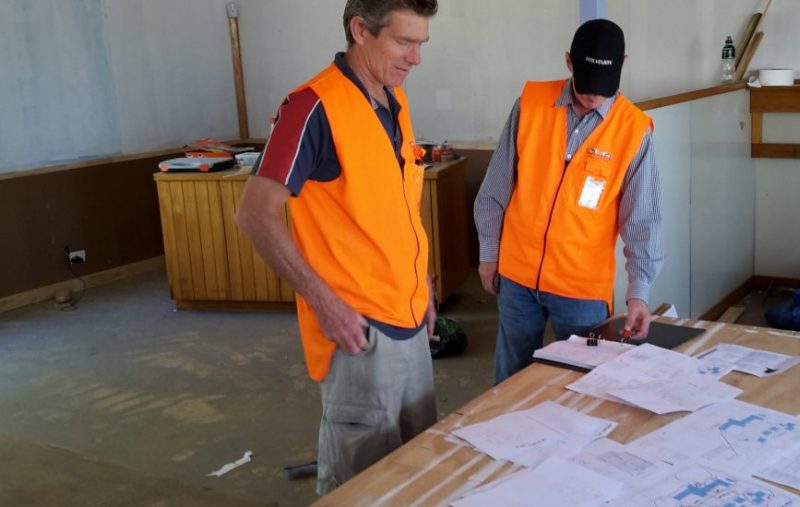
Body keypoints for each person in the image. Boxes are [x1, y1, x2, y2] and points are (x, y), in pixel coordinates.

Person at [234, 0, 438, 495]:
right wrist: (325, 303)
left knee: (420, 466)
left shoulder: (394, 99)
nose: (416, 58)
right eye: (403, 42)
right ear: (360, 31)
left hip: (410, 319)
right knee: (361, 484)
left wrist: (423, 284)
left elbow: (395, 209)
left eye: (421, 43)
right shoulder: (312, 107)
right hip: (359, 331)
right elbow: (253, 213)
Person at [474, 18, 664, 385]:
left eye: (604, 87)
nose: (594, 95)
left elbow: (644, 221)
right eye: (586, 84)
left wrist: (639, 293)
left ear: (622, 63)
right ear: (568, 62)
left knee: (584, 387)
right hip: (516, 278)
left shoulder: (633, 130)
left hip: (581, 290)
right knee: (510, 381)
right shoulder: (530, 104)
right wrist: (489, 252)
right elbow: (495, 186)